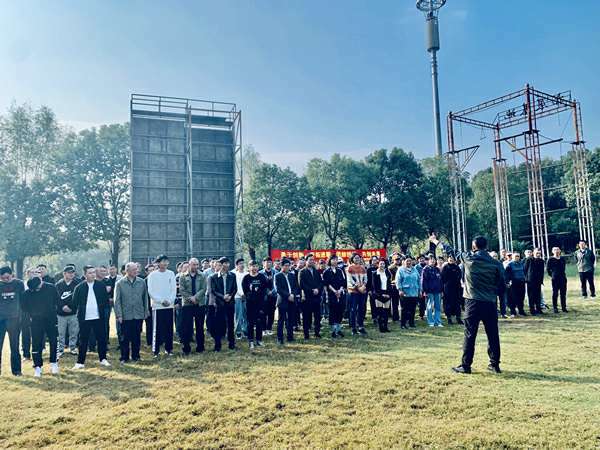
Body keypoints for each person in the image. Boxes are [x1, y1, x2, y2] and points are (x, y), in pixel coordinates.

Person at [431, 233, 504, 374]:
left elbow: (450, 250)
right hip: (490, 302)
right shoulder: (496, 263)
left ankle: (466, 365)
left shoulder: (468, 258)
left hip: (472, 301)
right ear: (486, 246)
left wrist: (435, 241)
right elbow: (501, 284)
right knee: (493, 334)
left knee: (470, 334)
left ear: (473, 246)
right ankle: (495, 365)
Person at [20, 270, 59, 376]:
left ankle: (54, 363)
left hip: (51, 319)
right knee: (36, 344)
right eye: (34, 289)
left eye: (38, 288)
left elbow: (57, 301)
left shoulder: (51, 288)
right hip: (36, 321)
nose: (36, 290)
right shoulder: (27, 293)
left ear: (41, 282)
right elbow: (24, 307)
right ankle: (37, 366)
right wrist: (33, 314)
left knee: (53, 341)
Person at [72, 265, 111, 369]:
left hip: (98, 317)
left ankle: (103, 359)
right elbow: (74, 303)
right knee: (83, 340)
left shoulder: (101, 285)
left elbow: (106, 301)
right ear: (85, 275)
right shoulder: (79, 287)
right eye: (90, 273)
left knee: (101, 338)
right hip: (84, 318)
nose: (93, 274)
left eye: (94, 272)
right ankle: (80, 362)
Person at [114, 262, 149, 363]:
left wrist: (145, 311)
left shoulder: (141, 282)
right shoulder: (120, 283)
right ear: (127, 271)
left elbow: (145, 298)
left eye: (136, 269)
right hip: (125, 315)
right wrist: (119, 315)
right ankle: (124, 357)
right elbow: (117, 301)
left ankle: (136, 356)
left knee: (136, 337)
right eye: (134, 270)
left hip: (138, 314)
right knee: (124, 338)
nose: (136, 271)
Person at [147, 255, 177, 357]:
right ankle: (156, 351)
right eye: (162, 261)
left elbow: (174, 290)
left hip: (169, 305)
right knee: (157, 329)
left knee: (169, 328)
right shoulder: (152, 275)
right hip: (157, 306)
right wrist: (161, 301)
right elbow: (151, 291)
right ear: (158, 263)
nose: (164, 263)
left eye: (166, 261)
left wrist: (170, 300)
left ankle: (169, 349)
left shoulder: (171, 273)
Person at [179, 258, 208, 355]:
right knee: (186, 327)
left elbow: (203, 289)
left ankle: (200, 347)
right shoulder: (183, 276)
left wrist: (196, 297)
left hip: (199, 304)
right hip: (187, 305)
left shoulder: (202, 275)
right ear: (189, 265)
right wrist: (190, 298)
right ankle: (186, 348)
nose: (195, 266)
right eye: (193, 265)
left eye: (197, 265)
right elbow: (182, 290)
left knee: (200, 326)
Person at [0, 266, 24, 376]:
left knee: (14, 345)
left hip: (14, 318)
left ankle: (17, 370)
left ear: (12, 275)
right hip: (1, 319)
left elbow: (23, 300)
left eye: (7, 277)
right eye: (3, 278)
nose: (5, 280)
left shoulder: (19, 284)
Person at [210, 257, 237, 351]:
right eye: (224, 263)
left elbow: (235, 288)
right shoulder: (214, 277)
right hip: (219, 303)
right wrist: (223, 296)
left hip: (230, 302)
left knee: (231, 324)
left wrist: (230, 296)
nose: (227, 265)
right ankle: (217, 345)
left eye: (228, 263)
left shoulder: (232, 275)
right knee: (218, 324)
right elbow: (213, 290)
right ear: (220, 265)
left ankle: (232, 344)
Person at [242, 260, 268, 348]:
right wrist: (253, 292)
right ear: (249, 267)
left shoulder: (262, 277)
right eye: (252, 266)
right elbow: (246, 291)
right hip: (250, 304)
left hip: (260, 303)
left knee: (259, 322)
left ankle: (259, 340)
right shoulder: (246, 278)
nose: (254, 268)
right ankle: (251, 341)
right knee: (250, 323)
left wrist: (257, 292)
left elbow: (264, 290)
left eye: (256, 266)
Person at [55, 266, 80, 357]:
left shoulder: (77, 283)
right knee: (61, 333)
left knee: (74, 331)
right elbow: (56, 298)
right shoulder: (58, 284)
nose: (71, 274)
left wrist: (71, 307)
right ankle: (60, 349)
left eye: (72, 272)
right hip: (61, 313)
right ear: (64, 273)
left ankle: (72, 348)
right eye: (69, 272)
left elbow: (77, 298)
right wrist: (63, 306)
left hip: (73, 312)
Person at [298, 254, 324, 340]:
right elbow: (301, 284)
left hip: (316, 297)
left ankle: (317, 332)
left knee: (317, 316)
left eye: (313, 260)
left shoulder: (316, 271)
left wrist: (318, 289)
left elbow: (320, 283)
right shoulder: (302, 271)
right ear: (306, 261)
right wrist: (312, 290)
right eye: (310, 260)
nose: (311, 261)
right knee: (306, 317)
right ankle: (306, 334)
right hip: (307, 297)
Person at [274, 258, 298, 345]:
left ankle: (290, 336)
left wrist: (293, 295)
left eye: (288, 265)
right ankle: (279, 338)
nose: (287, 267)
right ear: (281, 266)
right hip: (283, 300)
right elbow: (278, 289)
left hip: (292, 300)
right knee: (281, 320)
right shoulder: (277, 276)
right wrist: (288, 295)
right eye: (285, 266)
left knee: (291, 319)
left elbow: (296, 286)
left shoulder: (292, 275)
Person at [322, 255, 346, 338]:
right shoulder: (326, 271)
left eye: (336, 260)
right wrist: (335, 291)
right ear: (330, 261)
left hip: (340, 293)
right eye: (333, 260)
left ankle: (338, 329)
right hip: (331, 294)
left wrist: (340, 290)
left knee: (340, 311)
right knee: (333, 312)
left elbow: (343, 282)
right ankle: (333, 330)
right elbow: (327, 283)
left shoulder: (340, 271)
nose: (335, 261)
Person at [396, 256, 420, 329]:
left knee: (413, 309)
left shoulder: (415, 269)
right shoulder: (400, 270)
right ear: (404, 261)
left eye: (410, 261)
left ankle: (411, 323)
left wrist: (420, 290)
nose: (409, 262)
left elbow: (418, 280)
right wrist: (400, 290)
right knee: (404, 309)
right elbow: (398, 281)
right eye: (407, 261)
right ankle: (403, 324)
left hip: (414, 292)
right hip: (405, 293)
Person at [346, 254, 368, 336]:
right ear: (352, 259)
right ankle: (353, 328)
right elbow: (350, 280)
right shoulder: (349, 268)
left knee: (361, 309)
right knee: (353, 310)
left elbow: (366, 279)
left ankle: (361, 326)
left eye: (358, 258)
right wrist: (358, 287)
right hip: (353, 291)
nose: (357, 259)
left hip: (362, 291)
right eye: (355, 258)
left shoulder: (363, 268)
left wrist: (364, 286)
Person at [421, 254, 444, 328]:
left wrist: (441, 290)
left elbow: (440, 281)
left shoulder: (437, 269)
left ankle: (438, 321)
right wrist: (425, 291)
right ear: (428, 261)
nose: (433, 261)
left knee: (438, 307)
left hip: (438, 291)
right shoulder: (425, 269)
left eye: (434, 259)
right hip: (429, 291)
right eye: (431, 259)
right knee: (430, 307)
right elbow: (423, 281)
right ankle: (431, 321)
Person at [441, 255, 464, 325]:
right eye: (450, 258)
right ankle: (449, 319)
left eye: (452, 258)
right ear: (448, 259)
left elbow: (460, 276)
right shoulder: (445, 267)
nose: (451, 259)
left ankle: (458, 318)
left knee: (457, 304)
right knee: (448, 304)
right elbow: (443, 278)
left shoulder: (457, 267)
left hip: (457, 288)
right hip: (448, 289)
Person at [372, 259, 392, 332]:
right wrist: (381, 294)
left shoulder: (387, 272)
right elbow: (374, 286)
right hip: (378, 294)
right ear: (378, 264)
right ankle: (381, 327)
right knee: (379, 312)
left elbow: (389, 284)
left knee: (386, 312)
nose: (382, 265)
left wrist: (388, 294)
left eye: (383, 264)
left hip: (387, 293)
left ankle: (385, 326)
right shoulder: (375, 273)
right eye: (380, 264)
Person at [504, 253, 526, 317]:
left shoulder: (521, 264)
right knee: (513, 298)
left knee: (521, 298)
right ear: (512, 257)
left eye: (518, 256)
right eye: (515, 256)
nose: (517, 257)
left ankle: (521, 311)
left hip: (521, 283)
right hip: (513, 284)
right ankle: (513, 312)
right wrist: (507, 282)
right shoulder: (509, 265)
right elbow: (506, 275)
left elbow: (524, 272)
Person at [259, 257, 277, 336]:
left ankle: (269, 328)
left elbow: (277, 284)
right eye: (266, 262)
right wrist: (267, 291)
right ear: (263, 263)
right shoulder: (260, 273)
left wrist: (272, 291)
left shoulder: (275, 272)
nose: (268, 264)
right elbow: (261, 285)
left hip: (273, 295)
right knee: (263, 312)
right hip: (263, 296)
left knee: (271, 312)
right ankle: (263, 329)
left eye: (270, 262)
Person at [547, 247, 568, 313]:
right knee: (555, 293)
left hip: (563, 278)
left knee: (563, 293)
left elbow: (564, 267)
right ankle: (555, 308)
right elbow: (548, 269)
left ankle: (564, 307)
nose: (556, 251)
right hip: (555, 279)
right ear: (552, 251)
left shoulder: (562, 258)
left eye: (558, 250)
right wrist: (553, 275)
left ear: (560, 251)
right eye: (555, 250)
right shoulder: (550, 259)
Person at [524, 248, 545, 315]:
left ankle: (538, 309)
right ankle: (532, 310)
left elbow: (542, 272)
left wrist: (541, 280)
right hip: (530, 281)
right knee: (531, 296)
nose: (538, 254)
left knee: (538, 296)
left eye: (539, 253)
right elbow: (525, 269)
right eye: (537, 253)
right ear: (533, 253)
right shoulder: (529, 259)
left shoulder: (541, 261)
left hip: (538, 281)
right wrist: (527, 279)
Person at [232, 258, 248, 340]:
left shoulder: (247, 274)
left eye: (243, 263)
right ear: (236, 265)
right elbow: (235, 286)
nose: (242, 265)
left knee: (246, 314)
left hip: (246, 297)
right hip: (237, 297)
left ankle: (245, 330)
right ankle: (238, 332)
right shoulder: (234, 274)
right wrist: (241, 294)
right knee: (238, 315)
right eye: (240, 263)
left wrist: (246, 294)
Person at [388, 254, 402, 323]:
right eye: (396, 259)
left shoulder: (401, 267)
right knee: (395, 303)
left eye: (399, 259)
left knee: (402, 303)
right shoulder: (390, 268)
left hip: (401, 287)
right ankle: (395, 318)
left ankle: (403, 317)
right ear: (393, 260)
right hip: (394, 286)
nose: (398, 260)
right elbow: (389, 278)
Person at [366, 256, 380, 325]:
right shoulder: (369, 269)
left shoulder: (380, 268)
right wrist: (369, 290)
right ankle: (374, 317)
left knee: (379, 303)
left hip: (379, 289)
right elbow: (368, 280)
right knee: (373, 304)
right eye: (373, 260)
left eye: (376, 260)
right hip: (372, 289)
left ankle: (379, 316)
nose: (375, 261)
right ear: (371, 261)